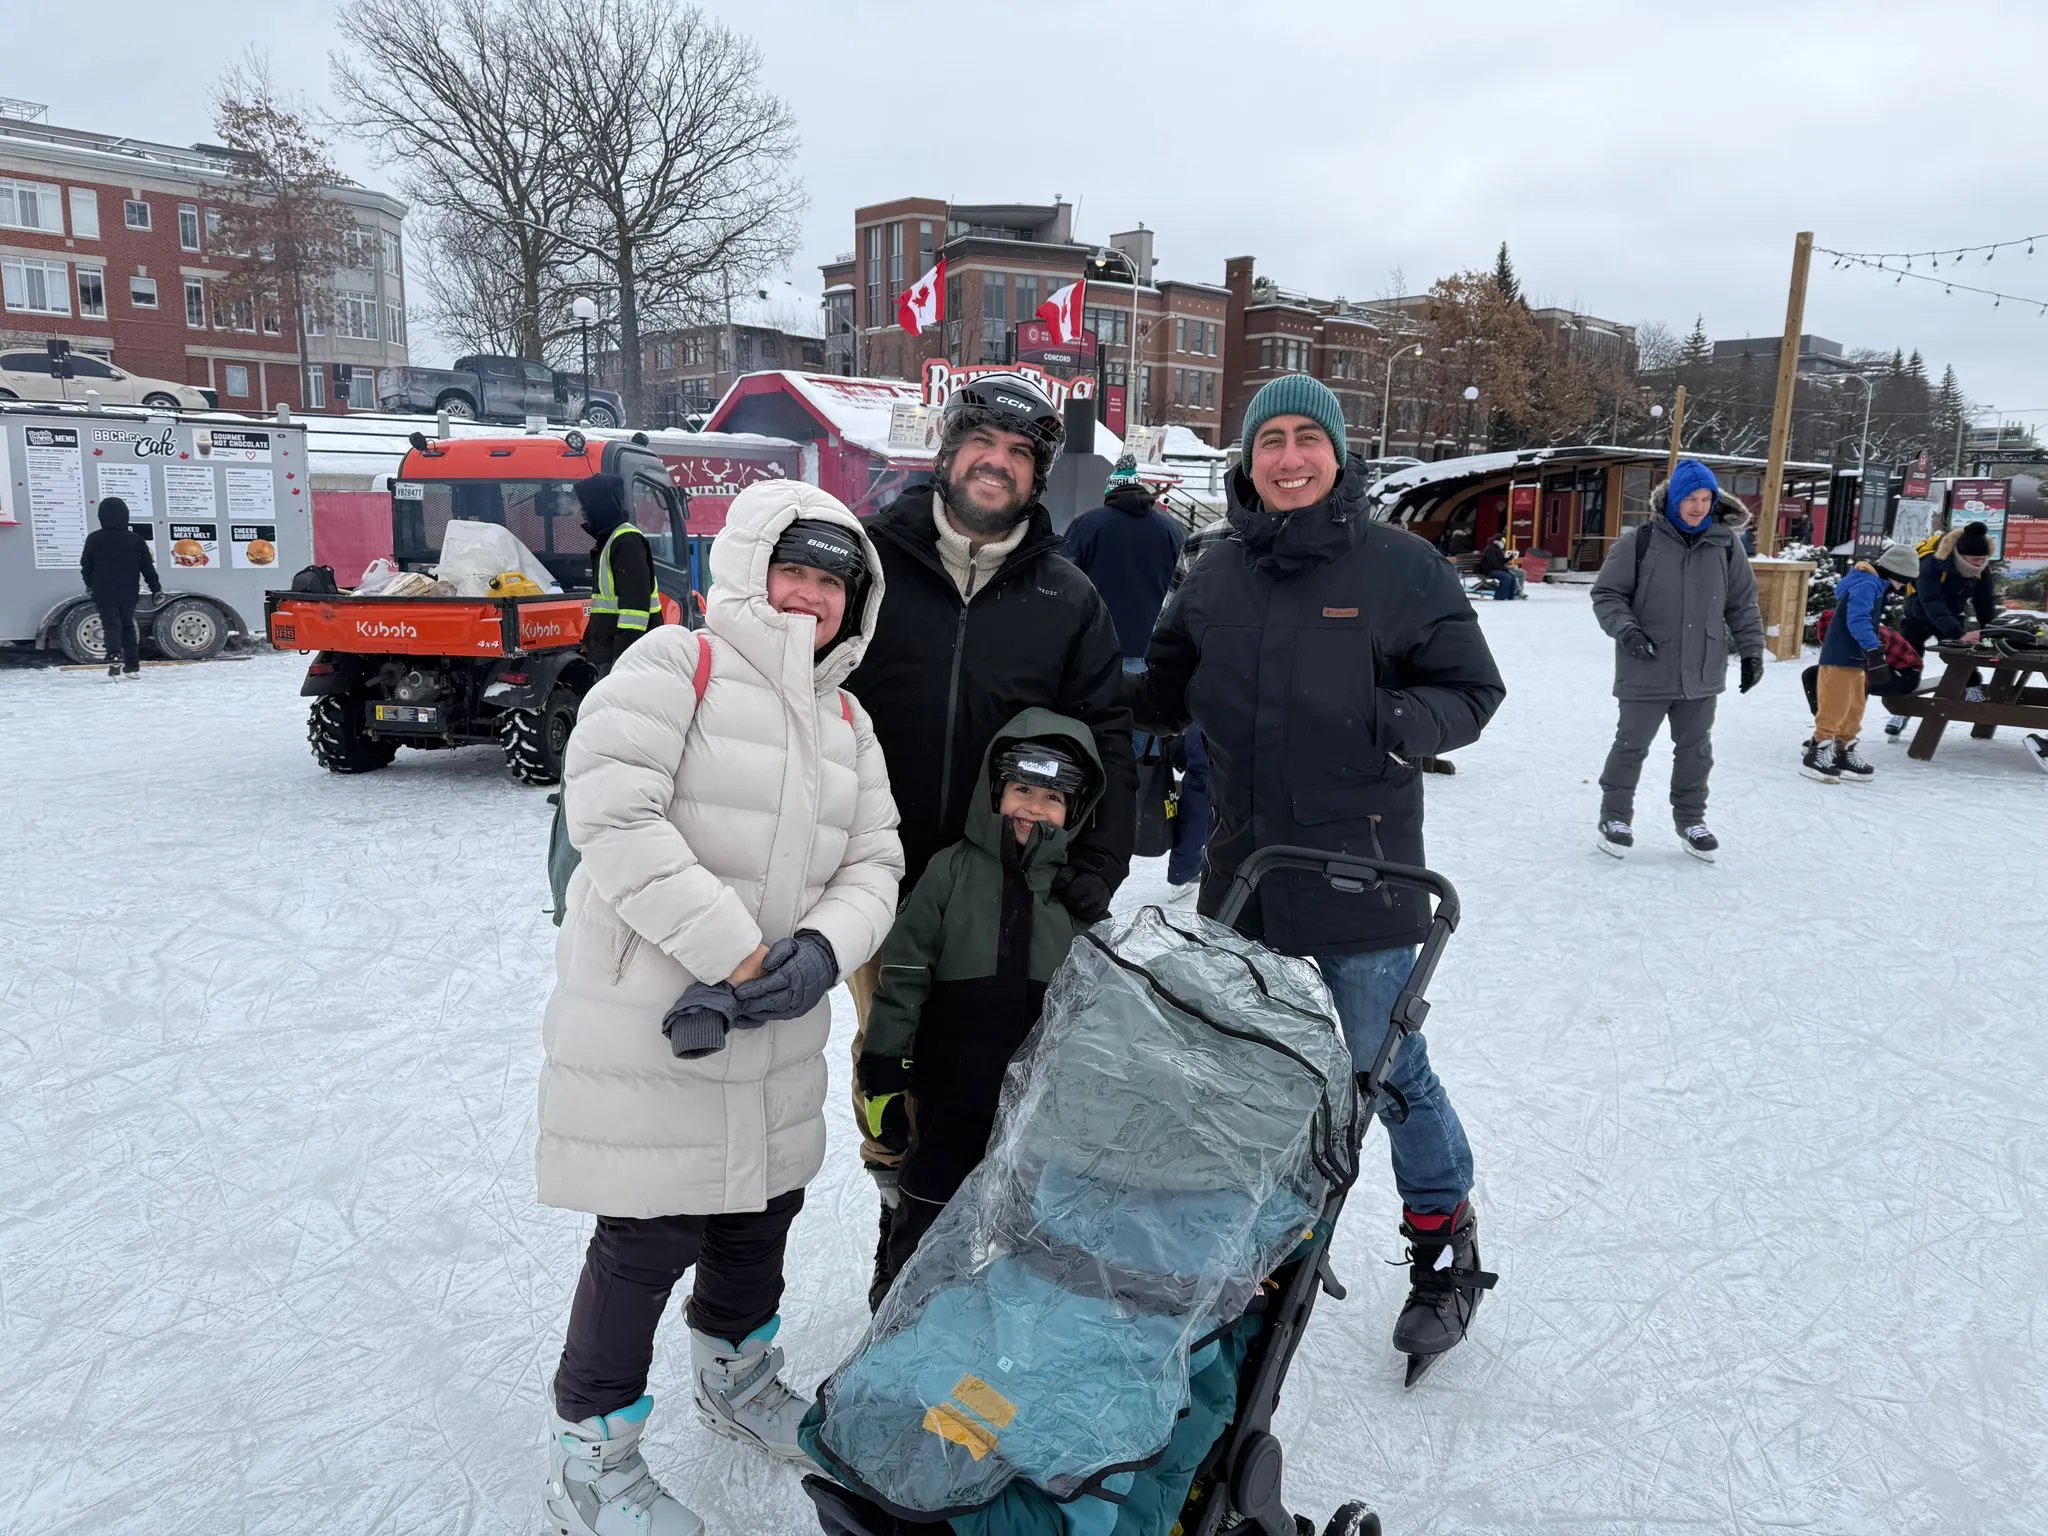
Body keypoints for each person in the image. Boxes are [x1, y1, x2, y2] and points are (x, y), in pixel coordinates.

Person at [537, 482, 903, 1536]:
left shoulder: (848, 721)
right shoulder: (672, 666)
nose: (809, 596)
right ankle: (590, 1455)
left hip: (774, 1024)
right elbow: (612, 812)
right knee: (648, 1230)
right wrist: (743, 955)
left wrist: (824, 950)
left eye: (832, 581)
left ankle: (738, 1379)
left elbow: (876, 860)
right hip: (658, 1014)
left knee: (758, 1210)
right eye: (793, 569)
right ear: (749, 568)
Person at [1129, 374, 1506, 1379]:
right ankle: (1257, 1248)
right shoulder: (1209, 572)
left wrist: (1393, 728)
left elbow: (1470, 689)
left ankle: (1442, 1244)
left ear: (1337, 454)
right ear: (1244, 461)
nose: (1288, 457)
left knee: (1380, 1077)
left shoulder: (1400, 568)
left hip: (1363, 875)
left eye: (1307, 438)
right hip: (1243, 878)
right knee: (1243, 1070)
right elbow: (1158, 690)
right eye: (1269, 442)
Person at [842, 372, 1136, 1287]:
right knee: (887, 1064)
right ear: (948, 450)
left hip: (1002, 891)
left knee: (994, 1074)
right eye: (983, 443)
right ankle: (902, 1229)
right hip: (873, 879)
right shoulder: (870, 566)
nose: (997, 464)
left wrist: (1097, 862)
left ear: (1039, 475)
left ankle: (998, 1253)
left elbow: (1110, 738)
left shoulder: (1065, 596)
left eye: (1019, 454)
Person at [855, 712, 1103, 1301]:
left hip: (1034, 1106)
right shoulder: (950, 871)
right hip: (950, 1093)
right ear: (995, 792)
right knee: (932, 1196)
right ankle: (902, 1297)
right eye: (1021, 789)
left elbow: (1095, 1006)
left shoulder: (1072, 895)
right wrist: (886, 1063)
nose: (1032, 808)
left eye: (1051, 797)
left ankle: (997, 1308)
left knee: (1021, 1211)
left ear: (1074, 811)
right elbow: (905, 974)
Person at [1590, 459, 1766, 862]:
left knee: (1696, 750)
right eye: (1691, 497)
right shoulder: (1641, 542)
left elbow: (1742, 603)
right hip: (1647, 665)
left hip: (1702, 669)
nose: (1699, 506)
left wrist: (1752, 650)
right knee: (1631, 746)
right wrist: (1627, 631)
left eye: (1706, 498)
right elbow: (1607, 595)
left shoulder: (1725, 545)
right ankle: (1614, 817)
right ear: (1673, 499)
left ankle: (1691, 819)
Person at [1802, 541, 1921, 783]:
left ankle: (1843, 751)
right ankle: (1818, 752)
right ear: (1896, 573)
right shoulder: (1867, 584)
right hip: (1841, 655)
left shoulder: (1874, 585)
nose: (1902, 587)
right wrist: (1874, 648)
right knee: (1835, 706)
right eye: (1904, 580)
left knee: (1854, 706)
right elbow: (1857, 620)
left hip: (1857, 658)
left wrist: (1870, 653)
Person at [1061, 456, 1187, 660]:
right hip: (1153, 650)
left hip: (1097, 650)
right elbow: (1184, 590)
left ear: (1110, 489)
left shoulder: (1086, 526)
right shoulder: (1170, 530)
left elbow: (1062, 583)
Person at [575, 472, 661, 676]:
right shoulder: (611, 539)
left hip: (624, 653)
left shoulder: (626, 541)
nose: (583, 512)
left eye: (586, 506)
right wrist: (590, 640)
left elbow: (635, 609)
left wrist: (623, 659)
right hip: (609, 648)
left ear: (600, 505)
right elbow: (603, 605)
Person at [78, 496, 160, 678]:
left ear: (102, 516)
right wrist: (155, 587)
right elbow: (146, 566)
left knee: (110, 625)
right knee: (128, 625)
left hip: (103, 589)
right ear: (125, 516)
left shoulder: (94, 539)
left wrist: (89, 585)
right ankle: (132, 667)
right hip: (128, 589)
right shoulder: (135, 539)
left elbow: (86, 566)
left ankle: (114, 655)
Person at [1901, 520, 1997, 655]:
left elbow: (1985, 602)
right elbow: (1931, 600)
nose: (1979, 564)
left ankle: (1967, 675)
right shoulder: (1931, 563)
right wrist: (1957, 634)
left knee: (1962, 661)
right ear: (1960, 555)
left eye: (1983, 559)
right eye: (1975, 560)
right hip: (1918, 616)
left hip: (1952, 614)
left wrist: (1990, 632)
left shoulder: (1982, 569)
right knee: (1907, 662)